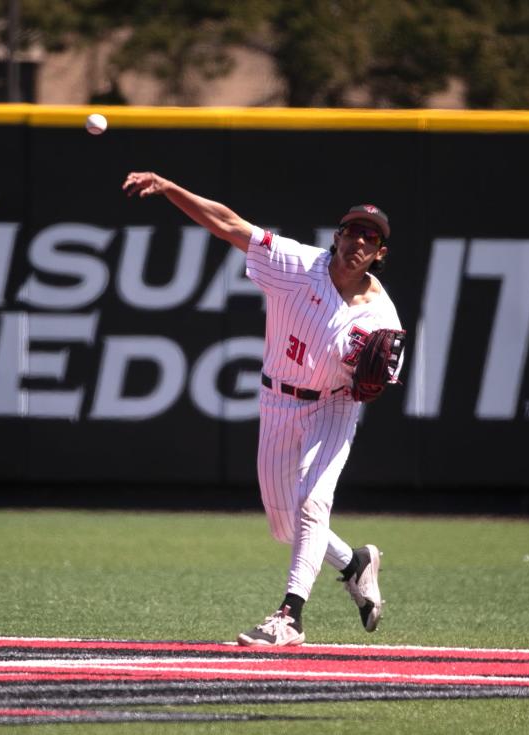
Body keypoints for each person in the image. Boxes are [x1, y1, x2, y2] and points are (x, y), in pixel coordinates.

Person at [123, 171, 403, 646]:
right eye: (352, 230)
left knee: (313, 504)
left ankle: (289, 617)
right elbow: (227, 223)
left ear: (380, 254)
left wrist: (371, 383)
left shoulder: (382, 319)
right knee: (284, 524)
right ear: (336, 237)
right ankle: (355, 563)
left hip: (333, 409)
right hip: (277, 398)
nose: (358, 239)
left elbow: (376, 383)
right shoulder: (296, 263)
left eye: (370, 236)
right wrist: (170, 189)